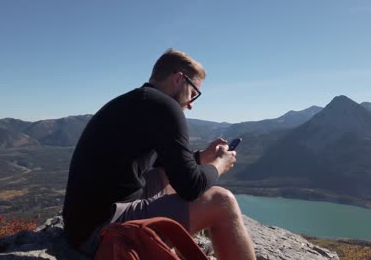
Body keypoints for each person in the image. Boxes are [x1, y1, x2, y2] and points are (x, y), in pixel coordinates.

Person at [62, 48, 256, 260]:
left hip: (81, 227)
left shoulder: (136, 101)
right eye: (193, 94)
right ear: (178, 79)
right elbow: (191, 188)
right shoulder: (167, 107)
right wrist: (219, 164)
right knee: (222, 201)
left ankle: (177, 245)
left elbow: (164, 165)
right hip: (101, 234)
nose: (191, 104)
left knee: (166, 176)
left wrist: (202, 158)